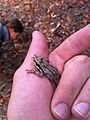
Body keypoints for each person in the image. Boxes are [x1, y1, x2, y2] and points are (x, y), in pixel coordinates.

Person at [7, 24, 90, 120]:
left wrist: (33, 71)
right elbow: (42, 64)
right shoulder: (43, 63)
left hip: (54, 76)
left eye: (36, 62)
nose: (34, 62)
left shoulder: (42, 67)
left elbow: (41, 73)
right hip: (52, 74)